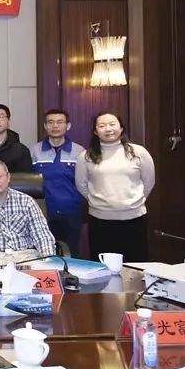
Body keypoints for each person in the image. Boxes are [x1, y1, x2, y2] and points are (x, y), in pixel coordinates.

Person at [75, 112, 155, 261]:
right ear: (95, 131)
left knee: (135, 264)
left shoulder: (139, 152)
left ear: (121, 128)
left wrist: (133, 201)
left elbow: (149, 181)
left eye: (112, 124)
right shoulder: (86, 156)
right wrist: (99, 202)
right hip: (100, 220)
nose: (108, 129)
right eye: (102, 125)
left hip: (134, 219)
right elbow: (81, 184)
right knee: (104, 265)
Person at [30, 109, 86, 256]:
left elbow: (85, 182)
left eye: (60, 122)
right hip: (43, 213)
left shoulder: (79, 151)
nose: (55, 126)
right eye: (50, 122)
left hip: (72, 212)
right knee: (45, 255)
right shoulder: (35, 151)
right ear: (45, 126)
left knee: (71, 254)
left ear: (68, 126)